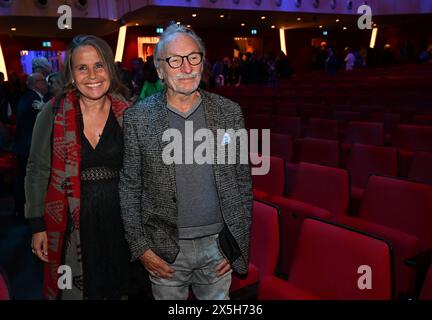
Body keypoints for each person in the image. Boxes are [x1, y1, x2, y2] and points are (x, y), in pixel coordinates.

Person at [119, 23, 253, 300]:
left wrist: (237, 243)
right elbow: (130, 188)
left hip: (218, 246)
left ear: (203, 63)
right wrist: (141, 247)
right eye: (175, 60)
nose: (186, 67)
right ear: (160, 69)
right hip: (165, 248)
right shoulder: (138, 118)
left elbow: (242, 182)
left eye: (193, 57)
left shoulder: (229, 113)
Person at [25, 35, 148, 300]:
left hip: (122, 224)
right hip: (73, 226)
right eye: (82, 67)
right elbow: (36, 170)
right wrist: (37, 226)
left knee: (122, 290)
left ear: (109, 69)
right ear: (71, 73)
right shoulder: (53, 112)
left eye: (99, 66)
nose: (92, 75)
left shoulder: (128, 112)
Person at [13, 73, 48, 216]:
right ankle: (26, 211)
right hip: (28, 145)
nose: (46, 84)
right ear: (35, 84)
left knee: (24, 178)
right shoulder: (33, 100)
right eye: (43, 81)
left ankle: (21, 210)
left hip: (23, 145)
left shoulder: (28, 97)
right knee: (28, 180)